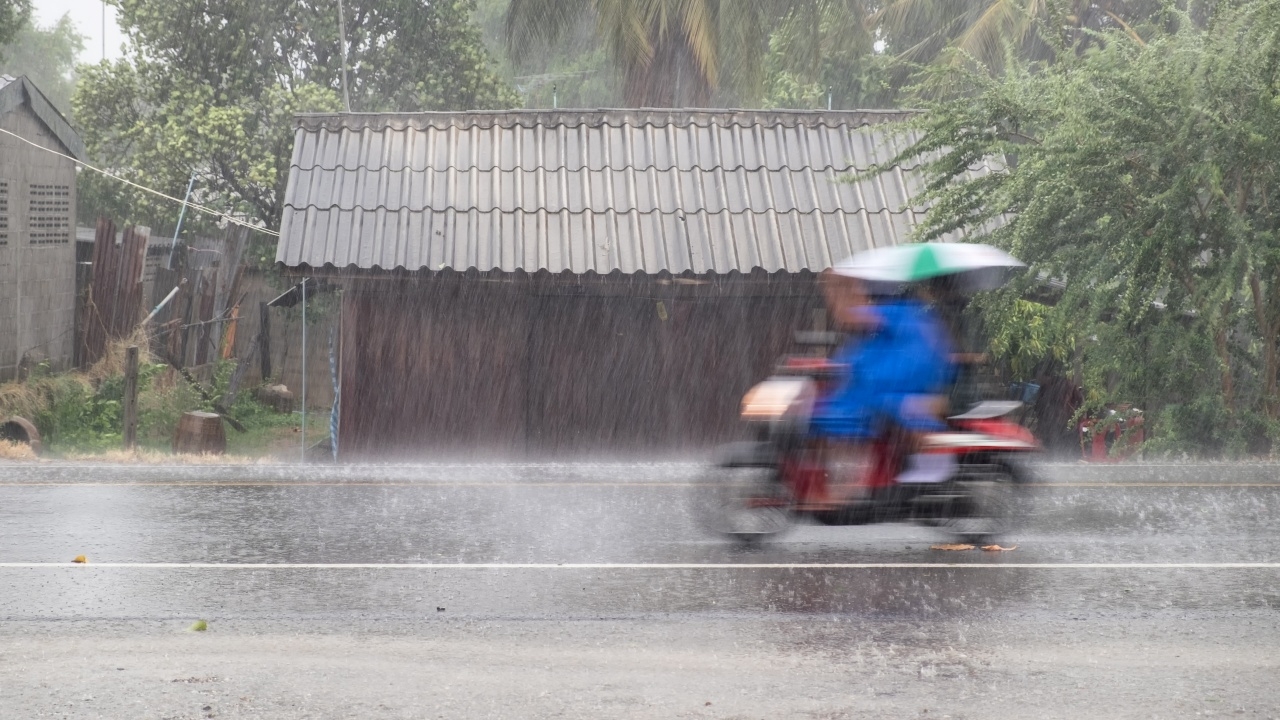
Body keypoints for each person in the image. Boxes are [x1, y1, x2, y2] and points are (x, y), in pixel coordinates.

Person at [811, 271, 956, 495]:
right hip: (882, 385)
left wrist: (836, 287)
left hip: (898, 387)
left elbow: (848, 316)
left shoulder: (900, 313)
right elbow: (853, 354)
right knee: (829, 409)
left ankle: (923, 467)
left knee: (846, 412)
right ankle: (847, 477)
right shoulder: (905, 317)